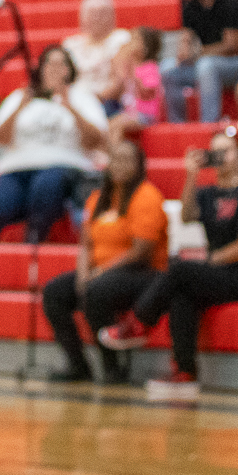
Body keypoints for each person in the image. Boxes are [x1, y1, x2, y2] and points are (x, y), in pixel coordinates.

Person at [97, 127, 238, 400]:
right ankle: (185, 372)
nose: (220, 157)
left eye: (226, 151)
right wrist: (191, 174)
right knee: (182, 294)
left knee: (181, 268)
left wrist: (210, 260)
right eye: (215, 151)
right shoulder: (208, 192)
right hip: (220, 273)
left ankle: (139, 321)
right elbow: (188, 214)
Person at [41, 137, 167, 385]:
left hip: (145, 274)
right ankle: (78, 365)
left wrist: (100, 272)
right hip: (102, 272)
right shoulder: (98, 199)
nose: (119, 164)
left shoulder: (147, 196)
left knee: (97, 290)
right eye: (115, 159)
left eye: (126, 159)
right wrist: (82, 273)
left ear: (139, 165)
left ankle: (112, 367)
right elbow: (86, 245)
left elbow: (140, 251)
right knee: (55, 292)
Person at [0, 46, 107, 243]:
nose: (55, 69)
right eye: (50, 63)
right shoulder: (20, 96)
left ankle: (33, 248)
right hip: (17, 168)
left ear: (69, 69)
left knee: (45, 186)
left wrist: (70, 107)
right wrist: (20, 107)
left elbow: (96, 141)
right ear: (41, 68)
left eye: (61, 63)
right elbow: (0, 138)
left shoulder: (82, 97)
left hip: (64, 165)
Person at [158, 0, 238, 126]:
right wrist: (184, 52)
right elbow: (186, 40)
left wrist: (197, 54)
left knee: (207, 66)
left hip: (237, 66)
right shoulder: (190, 5)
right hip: (203, 65)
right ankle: (177, 126)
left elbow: (233, 46)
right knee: (167, 69)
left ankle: (209, 125)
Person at [63, 0, 133, 114]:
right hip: (75, 101)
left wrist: (92, 100)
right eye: (91, 13)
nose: (96, 18)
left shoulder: (121, 40)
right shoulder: (70, 44)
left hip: (108, 101)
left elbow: (120, 81)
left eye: (101, 14)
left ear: (112, 16)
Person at [108, 27, 164, 139]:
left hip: (146, 115)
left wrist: (133, 73)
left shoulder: (150, 67)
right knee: (110, 124)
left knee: (118, 124)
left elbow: (148, 92)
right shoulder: (131, 67)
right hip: (131, 113)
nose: (131, 44)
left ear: (146, 48)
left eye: (136, 40)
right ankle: (113, 150)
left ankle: (115, 149)